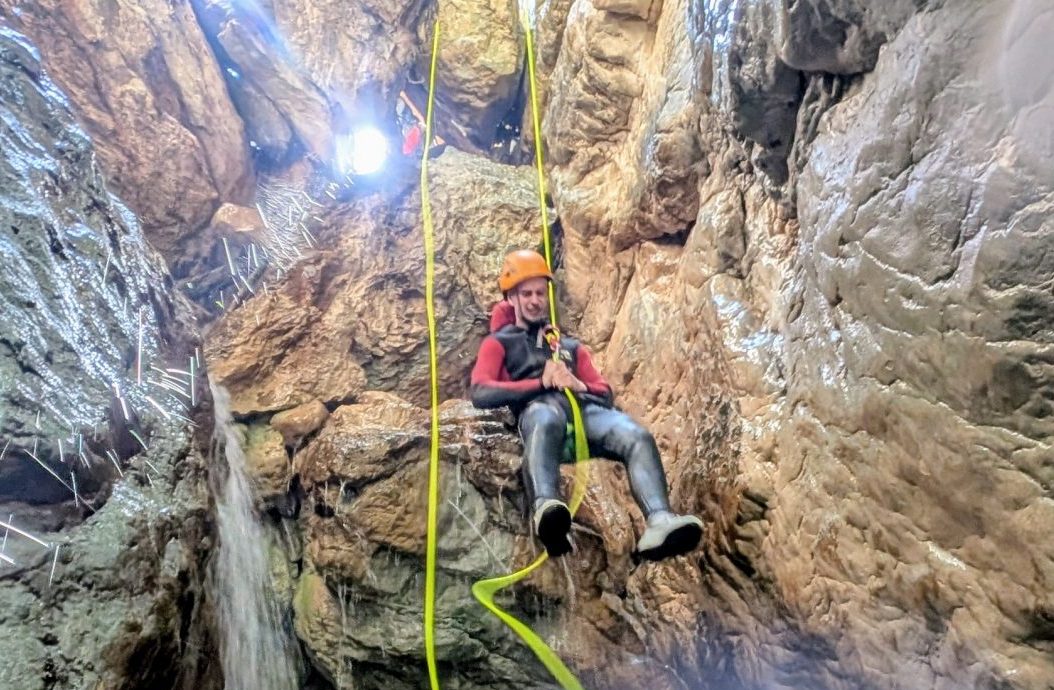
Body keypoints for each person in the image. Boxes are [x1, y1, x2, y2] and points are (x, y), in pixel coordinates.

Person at [470, 249, 704, 561]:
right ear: (511, 297)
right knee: (545, 416)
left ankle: (660, 520)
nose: (535, 300)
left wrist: (576, 384)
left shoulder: (568, 347)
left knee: (635, 435)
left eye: (540, 292)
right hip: (539, 413)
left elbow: (604, 392)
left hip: (582, 414)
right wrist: (540, 384)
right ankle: (546, 509)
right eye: (526, 293)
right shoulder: (498, 343)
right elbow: (481, 391)